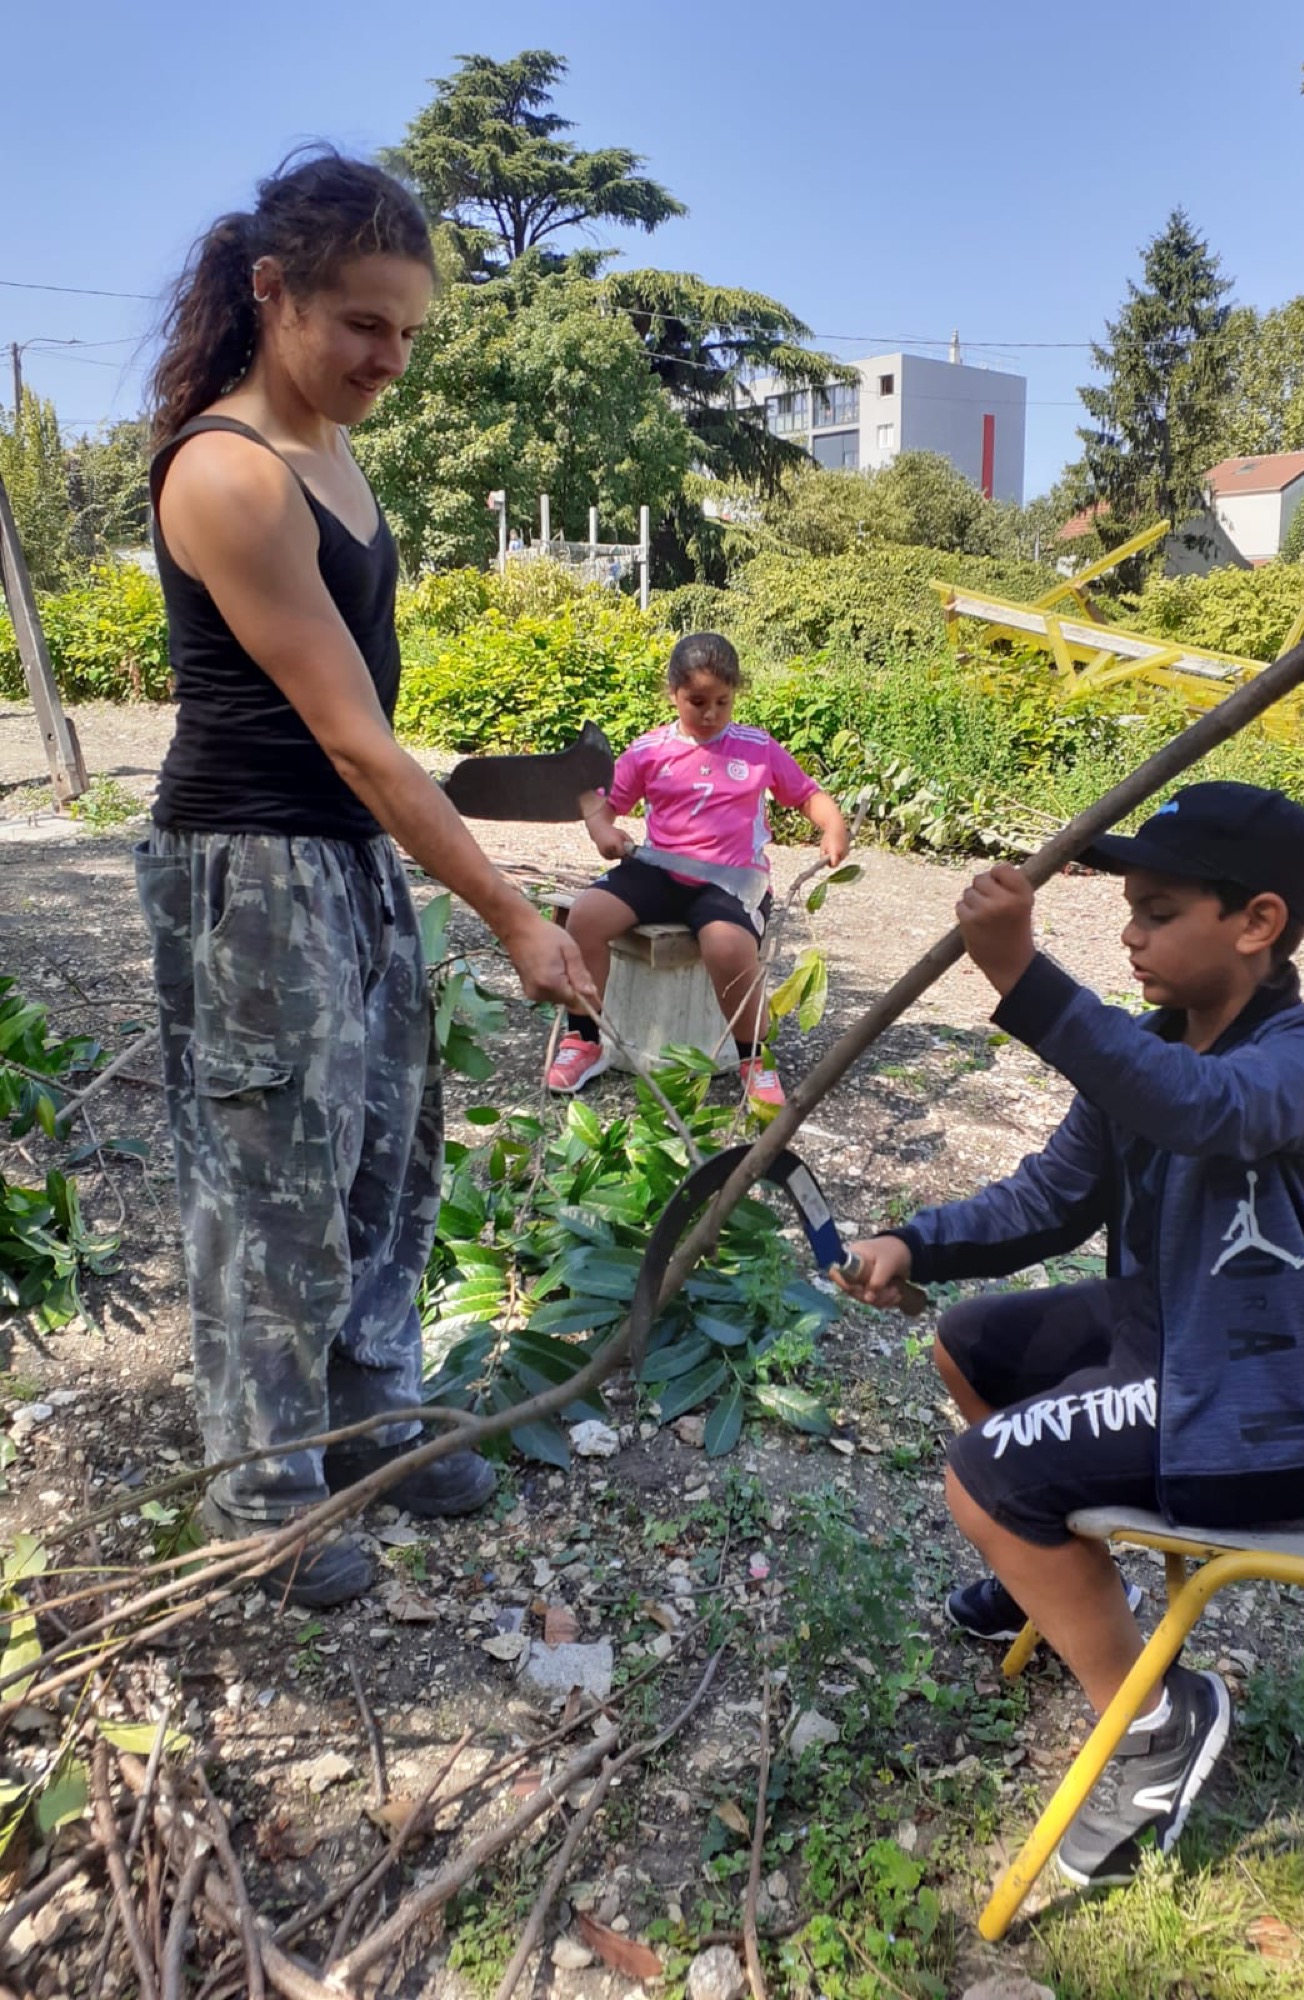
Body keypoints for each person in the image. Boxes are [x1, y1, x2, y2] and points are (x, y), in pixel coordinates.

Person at [135, 150, 596, 1608]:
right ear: (272, 292)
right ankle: (264, 1496)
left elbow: (375, 736)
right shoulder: (228, 471)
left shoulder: (333, 442)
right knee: (273, 1186)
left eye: (407, 330)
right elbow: (351, 737)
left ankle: (371, 1427)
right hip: (254, 867)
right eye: (362, 325)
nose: (389, 359)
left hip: (347, 859)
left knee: (389, 1156)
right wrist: (510, 909)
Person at [838, 782, 1304, 1886]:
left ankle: (1153, 1726)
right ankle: (1070, 1586)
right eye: (1128, 909)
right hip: (1186, 1340)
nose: (1130, 935)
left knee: (984, 1477)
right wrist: (911, 1240)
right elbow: (1053, 1197)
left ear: (1259, 921)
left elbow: (1204, 1107)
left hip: (1285, 1404)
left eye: (1159, 911)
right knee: (969, 1341)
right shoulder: (1149, 1047)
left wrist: (1024, 975)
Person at [546, 632, 849, 1109]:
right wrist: (603, 832)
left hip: (732, 879)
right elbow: (604, 806)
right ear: (673, 693)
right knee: (585, 917)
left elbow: (808, 795)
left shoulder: (757, 748)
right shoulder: (649, 751)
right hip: (659, 870)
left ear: (735, 694)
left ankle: (754, 1060)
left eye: (722, 702)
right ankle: (585, 1039)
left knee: (726, 946)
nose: (710, 714)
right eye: (697, 702)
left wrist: (833, 827)